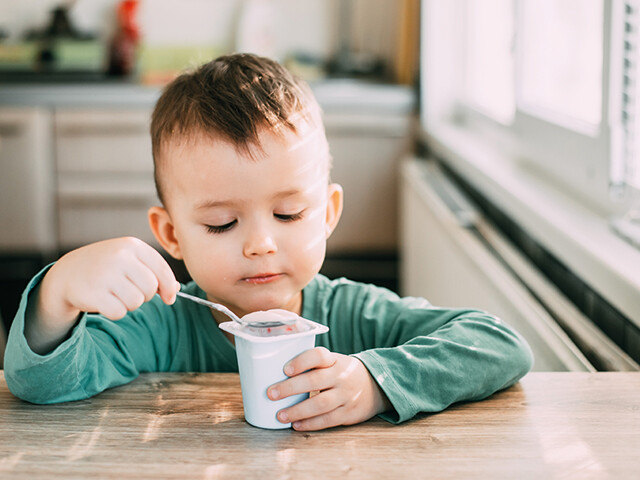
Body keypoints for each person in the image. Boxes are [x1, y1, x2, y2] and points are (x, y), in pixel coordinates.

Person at [4, 54, 533, 431]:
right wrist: (59, 291)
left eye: (288, 213)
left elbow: (499, 344)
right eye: (220, 224)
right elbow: (38, 385)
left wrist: (376, 380)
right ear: (171, 235)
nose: (260, 243)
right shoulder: (158, 325)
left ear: (326, 214)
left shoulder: (357, 314)